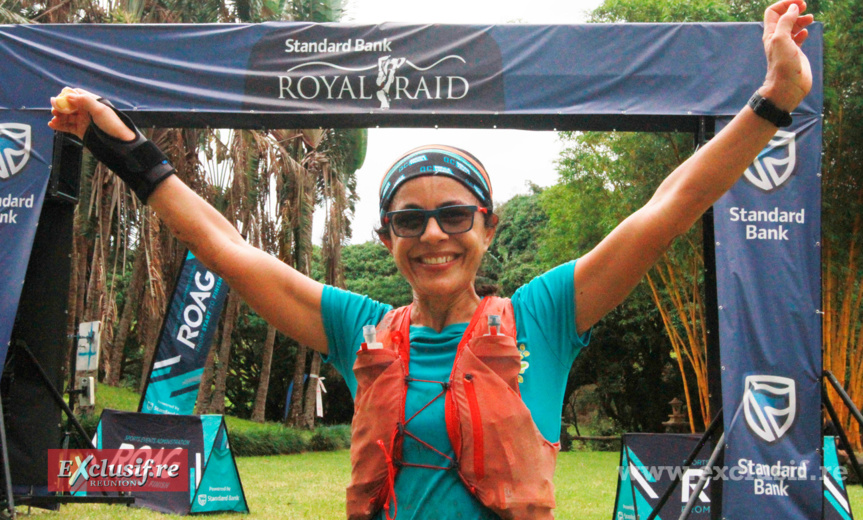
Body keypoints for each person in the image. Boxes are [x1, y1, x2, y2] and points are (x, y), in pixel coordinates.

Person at [48, 1, 813, 518]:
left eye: (454, 215)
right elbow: (226, 248)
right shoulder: (357, 329)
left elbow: (669, 208)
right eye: (408, 220)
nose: (433, 234)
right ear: (386, 238)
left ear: (487, 226)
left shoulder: (545, 316)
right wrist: (124, 148)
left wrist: (774, 99)